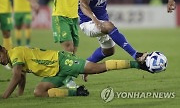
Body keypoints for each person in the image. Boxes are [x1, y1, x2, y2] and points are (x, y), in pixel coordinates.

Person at [34, 0, 116, 88]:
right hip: (60, 17)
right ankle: (66, 80)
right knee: (69, 48)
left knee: (73, 52)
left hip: (74, 19)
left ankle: (64, 77)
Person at [78, 0, 147, 81]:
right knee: (109, 26)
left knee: (109, 51)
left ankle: (86, 66)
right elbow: (83, 4)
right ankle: (136, 54)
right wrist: (95, 20)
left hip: (101, 20)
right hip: (88, 22)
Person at [0, 45, 149, 99]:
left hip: (61, 61)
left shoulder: (15, 53)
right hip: (54, 73)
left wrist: (5, 96)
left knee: (95, 69)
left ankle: (137, 64)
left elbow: (16, 76)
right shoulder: (14, 57)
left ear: (3, 50)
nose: (0, 61)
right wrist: (20, 93)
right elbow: (21, 76)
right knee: (39, 92)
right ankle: (76, 92)